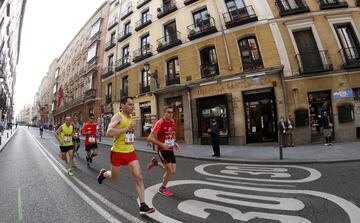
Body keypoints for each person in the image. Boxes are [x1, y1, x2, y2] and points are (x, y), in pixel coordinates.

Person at [97, 96, 155, 215]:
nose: (132, 106)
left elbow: (128, 133)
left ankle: (143, 205)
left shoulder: (131, 117)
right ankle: (104, 174)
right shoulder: (118, 116)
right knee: (113, 177)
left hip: (130, 151)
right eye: (129, 104)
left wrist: (129, 132)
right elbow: (108, 132)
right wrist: (125, 129)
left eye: (133, 104)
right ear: (122, 105)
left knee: (139, 177)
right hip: (117, 152)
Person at [147, 105, 180, 197]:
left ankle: (155, 163)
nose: (170, 114)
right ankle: (162, 188)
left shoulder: (173, 121)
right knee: (169, 171)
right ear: (164, 113)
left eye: (172, 112)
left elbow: (171, 134)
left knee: (172, 171)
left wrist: (175, 142)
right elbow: (150, 138)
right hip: (162, 150)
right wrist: (162, 145)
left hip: (170, 149)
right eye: (168, 112)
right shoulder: (160, 123)